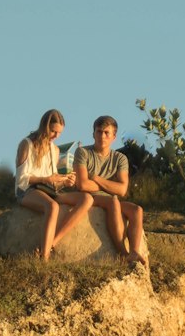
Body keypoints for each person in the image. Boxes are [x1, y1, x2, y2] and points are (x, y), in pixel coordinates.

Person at [15, 109, 93, 260]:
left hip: (49, 190)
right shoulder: (27, 144)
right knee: (52, 207)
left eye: (59, 133)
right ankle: (44, 257)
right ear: (44, 126)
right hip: (28, 190)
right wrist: (46, 179)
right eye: (53, 131)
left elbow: (53, 181)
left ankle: (52, 243)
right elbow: (22, 179)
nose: (56, 136)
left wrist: (65, 181)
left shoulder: (55, 150)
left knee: (87, 199)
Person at [74, 114, 146, 267]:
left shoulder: (120, 159)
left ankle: (134, 251)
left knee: (137, 210)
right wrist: (110, 185)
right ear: (93, 133)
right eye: (99, 131)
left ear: (114, 136)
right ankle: (122, 253)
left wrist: (96, 178)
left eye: (107, 133)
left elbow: (122, 189)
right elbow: (82, 185)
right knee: (113, 201)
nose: (102, 136)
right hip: (89, 197)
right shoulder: (83, 153)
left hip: (109, 197)